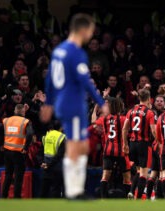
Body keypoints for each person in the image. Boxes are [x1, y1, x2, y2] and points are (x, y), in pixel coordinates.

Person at [40, 13, 105, 199]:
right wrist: (101, 102)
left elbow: (51, 78)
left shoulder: (59, 50)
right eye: (90, 31)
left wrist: (48, 103)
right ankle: (74, 191)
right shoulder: (76, 52)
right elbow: (86, 81)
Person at [122, 89, 156, 199]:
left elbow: (124, 129)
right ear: (149, 98)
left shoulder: (131, 111)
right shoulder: (149, 112)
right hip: (143, 145)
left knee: (138, 170)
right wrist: (159, 141)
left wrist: (125, 144)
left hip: (132, 144)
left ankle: (132, 192)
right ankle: (139, 197)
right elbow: (153, 130)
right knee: (144, 173)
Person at [98, 97, 131, 198]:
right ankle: (127, 198)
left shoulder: (104, 119)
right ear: (119, 106)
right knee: (127, 177)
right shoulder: (123, 119)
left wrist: (95, 109)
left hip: (108, 150)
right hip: (121, 151)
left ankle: (103, 198)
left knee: (105, 176)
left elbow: (94, 122)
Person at [1, 104, 33, 198]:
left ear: (15, 111)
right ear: (23, 112)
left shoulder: (6, 120)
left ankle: (3, 197)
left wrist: (0, 144)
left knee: (8, 175)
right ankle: (17, 198)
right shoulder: (25, 121)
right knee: (18, 177)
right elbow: (30, 134)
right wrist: (25, 148)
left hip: (7, 151)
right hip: (19, 153)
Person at [40, 124, 66, 198]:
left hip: (46, 166)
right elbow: (60, 154)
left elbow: (40, 152)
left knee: (44, 189)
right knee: (56, 189)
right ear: (60, 128)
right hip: (57, 167)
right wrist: (50, 164)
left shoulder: (46, 136)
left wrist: (42, 163)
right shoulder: (61, 137)